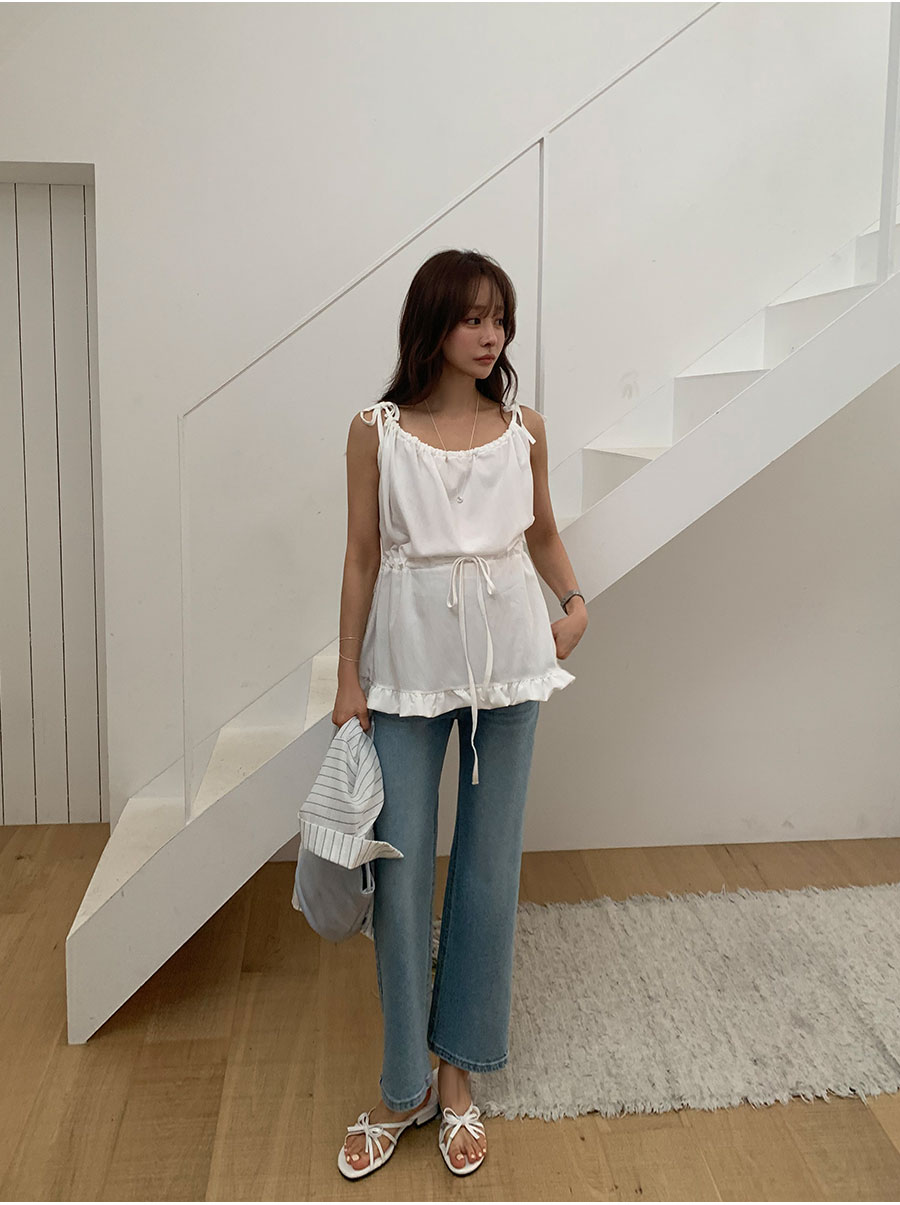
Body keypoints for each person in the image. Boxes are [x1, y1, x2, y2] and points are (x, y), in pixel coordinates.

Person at [334, 248, 588, 1178]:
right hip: (405, 670)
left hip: (510, 666)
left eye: (500, 318)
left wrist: (575, 602)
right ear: (434, 323)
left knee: (487, 867)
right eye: (474, 318)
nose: (492, 335)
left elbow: (543, 531)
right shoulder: (376, 431)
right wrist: (348, 677)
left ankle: (458, 1072)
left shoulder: (525, 429)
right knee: (399, 870)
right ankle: (403, 1083)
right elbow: (363, 555)